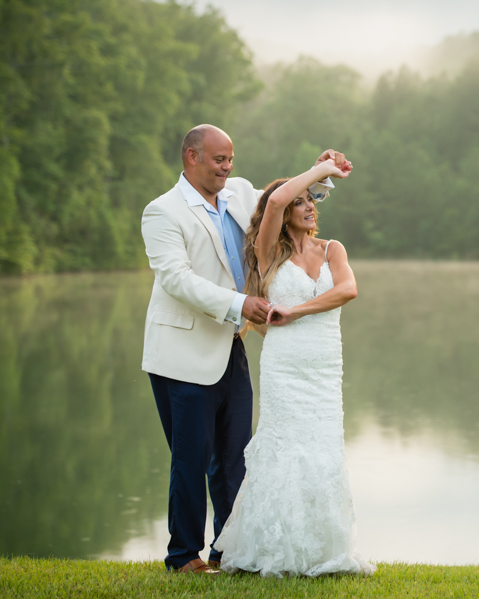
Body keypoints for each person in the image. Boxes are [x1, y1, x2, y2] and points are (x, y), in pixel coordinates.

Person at [140, 124, 336, 574]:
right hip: (182, 352)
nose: (228, 168)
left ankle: (230, 553)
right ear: (192, 157)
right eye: (218, 160)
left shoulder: (240, 192)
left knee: (235, 459)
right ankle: (183, 556)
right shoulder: (162, 212)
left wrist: (319, 171)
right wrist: (239, 303)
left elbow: (282, 198)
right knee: (190, 460)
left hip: (232, 347)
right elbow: (176, 279)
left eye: (230, 159)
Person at [213, 155, 376, 578]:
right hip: (286, 367)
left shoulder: (332, 249)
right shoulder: (267, 252)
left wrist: (297, 311)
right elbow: (274, 200)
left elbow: (348, 290)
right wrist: (320, 170)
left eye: (313, 201)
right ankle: (273, 548)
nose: (309, 206)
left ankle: (322, 549)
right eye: (300, 201)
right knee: (285, 449)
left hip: (324, 367)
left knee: (322, 450)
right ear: (284, 214)